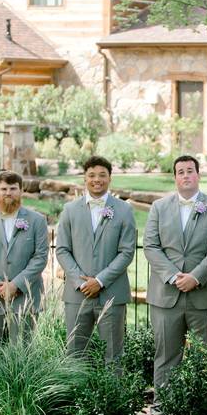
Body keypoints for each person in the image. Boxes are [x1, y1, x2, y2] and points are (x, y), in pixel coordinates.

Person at [141, 154, 207, 415]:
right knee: (166, 354)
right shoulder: (159, 207)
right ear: (175, 177)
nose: (186, 175)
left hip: (203, 295)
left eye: (190, 171)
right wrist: (171, 275)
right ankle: (162, 409)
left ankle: (206, 410)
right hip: (166, 295)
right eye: (180, 172)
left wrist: (197, 276)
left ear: (198, 175)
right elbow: (151, 246)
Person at [55, 156, 136, 365]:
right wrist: (81, 282)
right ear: (84, 178)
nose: (96, 180)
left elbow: (127, 252)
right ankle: (75, 397)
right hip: (77, 294)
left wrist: (99, 281)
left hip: (112, 293)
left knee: (113, 355)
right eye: (91, 175)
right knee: (75, 354)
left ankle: (112, 398)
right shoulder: (69, 210)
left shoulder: (124, 210)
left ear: (110, 178)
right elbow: (62, 249)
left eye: (102, 175)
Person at [0, 170, 49, 345]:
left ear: (21, 190)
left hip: (24, 297)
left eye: (13, 188)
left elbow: (40, 257)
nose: (8, 193)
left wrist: (15, 285)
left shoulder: (37, 220)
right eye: (4, 188)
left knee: (22, 351)